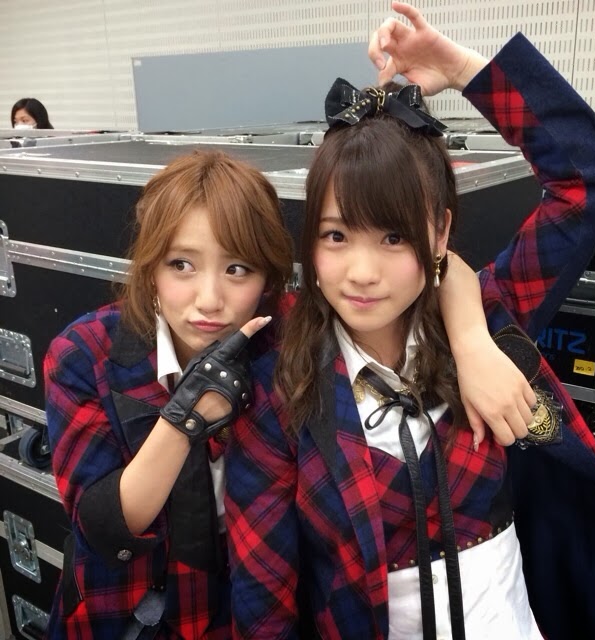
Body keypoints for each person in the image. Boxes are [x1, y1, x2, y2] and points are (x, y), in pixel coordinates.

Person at [225, 3, 595, 640]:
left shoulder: (492, 320)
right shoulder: (281, 378)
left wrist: (462, 69)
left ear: (440, 232)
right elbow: (264, 596)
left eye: (394, 237)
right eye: (336, 235)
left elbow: (590, 178)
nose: (362, 272)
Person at [43, 146, 525, 639]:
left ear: (269, 279)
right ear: (150, 267)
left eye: (237, 269)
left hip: (240, 614)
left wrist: (470, 336)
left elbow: (434, 264)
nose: (209, 300)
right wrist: (186, 418)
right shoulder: (86, 354)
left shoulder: (285, 342)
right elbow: (102, 527)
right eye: (181, 265)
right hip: (122, 616)